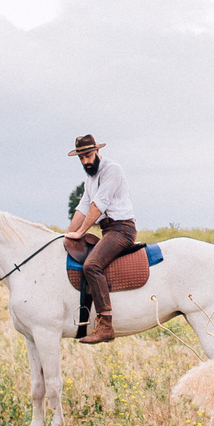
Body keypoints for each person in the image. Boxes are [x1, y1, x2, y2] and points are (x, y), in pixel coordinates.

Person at [65, 134, 137, 344]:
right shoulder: (90, 179)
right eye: (81, 158)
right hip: (108, 230)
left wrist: (81, 232)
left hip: (122, 229)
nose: (85, 161)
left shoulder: (112, 170)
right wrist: (67, 235)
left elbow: (99, 205)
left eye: (88, 155)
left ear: (97, 151)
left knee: (92, 265)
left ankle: (105, 325)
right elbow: (83, 207)